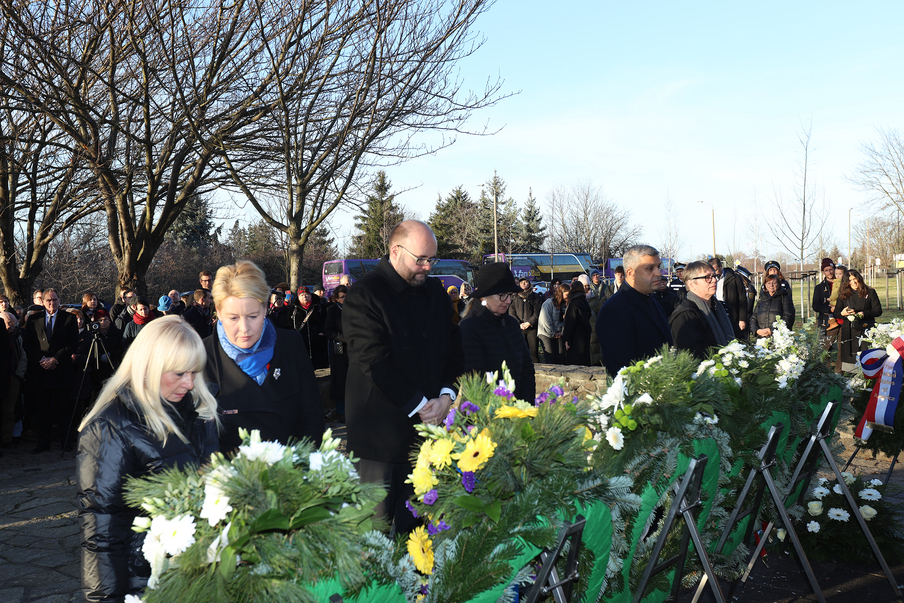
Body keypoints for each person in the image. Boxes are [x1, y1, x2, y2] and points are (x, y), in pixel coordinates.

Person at [76, 316, 219, 602]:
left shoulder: (198, 411)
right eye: (179, 373)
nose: (190, 383)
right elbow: (102, 529)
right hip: (145, 582)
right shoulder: (110, 427)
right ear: (150, 367)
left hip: (197, 576)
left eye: (194, 372)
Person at [343, 220, 462, 535]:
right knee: (373, 540)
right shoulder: (364, 294)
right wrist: (423, 405)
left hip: (425, 440)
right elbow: (373, 360)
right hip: (378, 444)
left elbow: (453, 349)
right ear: (395, 251)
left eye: (432, 260)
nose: (427, 267)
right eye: (420, 259)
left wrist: (447, 396)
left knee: (422, 536)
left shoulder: (435, 294)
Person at [203, 260, 324, 453]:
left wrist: (299, 467)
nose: (244, 329)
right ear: (218, 312)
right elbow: (197, 437)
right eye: (233, 318)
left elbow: (312, 418)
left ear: (265, 308)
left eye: (253, 316)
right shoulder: (202, 357)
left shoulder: (291, 346)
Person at [460, 263, 535, 401]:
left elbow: (526, 369)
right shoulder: (469, 327)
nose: (508, 301)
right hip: (488, 416)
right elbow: (475, 382)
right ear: (484, 296)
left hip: (519, 413)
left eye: (510, 295)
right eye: (502, 295)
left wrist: (525, 410)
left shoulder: (511, 323)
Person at [597, 245, 673, 376]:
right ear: (630, 273)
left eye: (658, 267)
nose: (659, 273)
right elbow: (622, 370)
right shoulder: (614, 309)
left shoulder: (654, 303)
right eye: (650, 268)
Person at [23, 288, 78, 453]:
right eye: (48, 300)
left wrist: (55, 359)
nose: (52, 303)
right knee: (42, 409)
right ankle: (43, 442)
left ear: (59, 300)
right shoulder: (33, 319)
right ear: (43, 301)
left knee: (63, 409)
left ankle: (65, 441)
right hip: (40, 371)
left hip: (61, 370)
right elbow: (28, 344)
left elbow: (73, 343)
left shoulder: (69, 318)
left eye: (55, 300)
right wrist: (42, 360)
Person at [669, 261, 735, 360]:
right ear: (691, 283)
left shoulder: (722, 308)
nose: (714, 280)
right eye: (707, 277)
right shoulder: (685, 316)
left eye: (714, 276)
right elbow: (693, 356)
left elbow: (738, 339)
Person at [834, 269, 882, 373]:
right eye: (850, 280)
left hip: (865, 329)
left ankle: (867, 377)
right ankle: (851, 380)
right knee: (850, 362)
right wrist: (842, 314)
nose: (853, 282)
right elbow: (836, 313)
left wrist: (864, 313)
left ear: (859, 279)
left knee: (866, 357)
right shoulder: (843, 295)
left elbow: (878, 311)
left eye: (855, 279)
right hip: (849, 331)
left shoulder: (870, 292)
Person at [323, 285, 349, 423]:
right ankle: (341, 411)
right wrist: (344, 338)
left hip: (354, 351)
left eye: (346, 296)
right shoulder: (332, 310)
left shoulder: (354, 309)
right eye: (342, 297)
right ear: (337, 299)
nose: (345, 299)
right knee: (340, 382)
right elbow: (328, 330)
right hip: (340, 352)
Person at [709, 257, 749, 340]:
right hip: (716, 313)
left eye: (716, 270)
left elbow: (742, 299)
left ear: (721, 266)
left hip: (732, 314)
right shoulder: (709, 279)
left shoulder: (734, 278)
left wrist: (742, 319)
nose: (714, 273)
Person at [289, 286, 329, 369]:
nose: (305, 296)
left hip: (317, 340)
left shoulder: (318, 306)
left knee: (319, 366)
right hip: (300, 340)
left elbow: (326, 320)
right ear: (298, 297)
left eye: (307, 294)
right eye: (302, 295)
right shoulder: (294, 308)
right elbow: (288, 324)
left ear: (310, 295)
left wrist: (322, 332)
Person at [1, 311, 24, 450]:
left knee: (9, 410)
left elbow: (23, 357)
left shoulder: (17, 337)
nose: (13, 325)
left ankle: (7, 438)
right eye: (9, 322)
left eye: (14, 322)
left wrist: (18, 375)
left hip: (13, 377)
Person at [510, 276, 542, 364]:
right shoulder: (515, 297)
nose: (523, 284)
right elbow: (511, 312)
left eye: (525, 282)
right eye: (521, 282)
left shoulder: (535, 296)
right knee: (521, 351)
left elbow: (537, 312)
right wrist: (519, 323)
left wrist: (529, 322)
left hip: (532, 328)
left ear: (529, 283)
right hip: (520, 328)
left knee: (533, 352)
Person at [562, 280, 592, 366]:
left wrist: (567, 339)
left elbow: (570, 323)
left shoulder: (574, 303)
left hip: (575, 338)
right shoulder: (584, 301)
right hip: (585, 334)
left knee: (574, 363)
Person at [538, 284, 568, 365]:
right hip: (546, 332)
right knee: (550, 357)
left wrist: (561, 332)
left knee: (560, 356)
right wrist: (553, 333)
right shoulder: (549, 303)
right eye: (567, 295)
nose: (568, 297)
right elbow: (546, 320)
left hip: (558, 332)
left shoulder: (564, 304)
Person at [811, 258, 836, 341]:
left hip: (842, 319)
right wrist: (829, 309)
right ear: (823, 272)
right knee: (825, 348)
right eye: (826, 270)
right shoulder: (819, 288)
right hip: (825, 321)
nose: (829, 272)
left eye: (831, 269)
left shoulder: (842, 285)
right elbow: (815, 306)